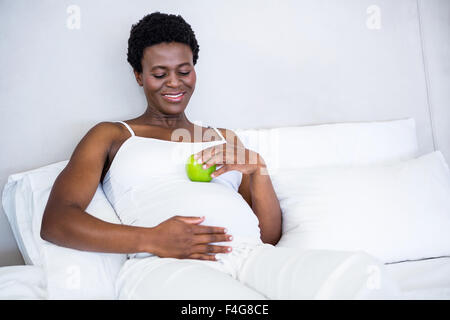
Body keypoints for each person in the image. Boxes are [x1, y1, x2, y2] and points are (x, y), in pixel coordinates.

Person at [40, 12, 398, 299]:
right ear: (138, 76)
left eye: (184, 70)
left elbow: (268, 236)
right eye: (159, 73)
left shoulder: (223, 138)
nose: (174, 83)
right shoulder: (112, 135)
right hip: (165, 265)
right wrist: (151, 239)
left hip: (250, 256)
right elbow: (57, 221)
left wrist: (258, 170)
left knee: (360, 275)